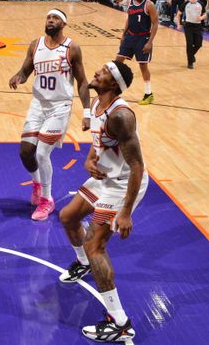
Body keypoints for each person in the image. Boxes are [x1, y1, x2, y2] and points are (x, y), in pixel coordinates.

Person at [57, 60, 146, 343]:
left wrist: (126, 212)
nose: (98, 72)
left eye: (105, 72)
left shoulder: (121, 116)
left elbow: (137, 167)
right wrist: (89, 160)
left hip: (122, 185)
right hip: (105, 176)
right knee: (68, 217)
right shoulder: (97, 105)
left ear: (114, 84)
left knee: (95, 244)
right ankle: (83, 263)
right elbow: (100, 145)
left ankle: (119, 321)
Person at [9, 9, 91, 221]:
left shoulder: (71, 48)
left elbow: (82, 82)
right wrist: (18, 77)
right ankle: (37, 184)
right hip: (38, 104)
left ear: (64, 24)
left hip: (60, 106)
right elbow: (25, 72)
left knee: (42, 153)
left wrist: (87, 112)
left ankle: (47, 200)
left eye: (55, 18)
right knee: (26, 152)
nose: (50, 20)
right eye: (48, 17)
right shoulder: (36, 45)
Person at [115, 0, 158, 105]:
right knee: (118, 61)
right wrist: (123, 34)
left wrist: (150, 42)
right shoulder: (130, 1)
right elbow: (129, 18)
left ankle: (148, 94)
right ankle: (113, 90)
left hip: (143, 38)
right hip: (130, 36)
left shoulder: (149, 4)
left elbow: (155, 23)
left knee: (143, 66)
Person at [175, 0, 207, 69]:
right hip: (188, 26)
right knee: (189, 44)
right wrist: (178, 24)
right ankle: (190, 62)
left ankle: (191, 56)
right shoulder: (185, 4)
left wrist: (201, 18)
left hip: (198, 26)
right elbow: (178, 14)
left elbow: (205, 14)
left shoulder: (201, 4)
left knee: (198, 44)